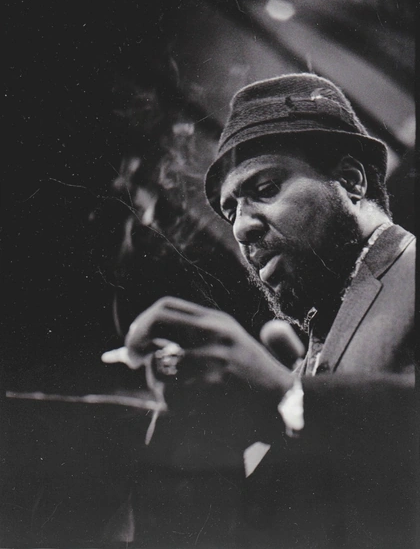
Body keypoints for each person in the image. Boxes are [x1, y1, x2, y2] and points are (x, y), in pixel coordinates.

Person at [102, 74, 416, 547]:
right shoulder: (312, 348)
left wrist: (289, 399)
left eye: (266, 188)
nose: (241, 228)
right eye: (231, 212)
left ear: (351, 181)